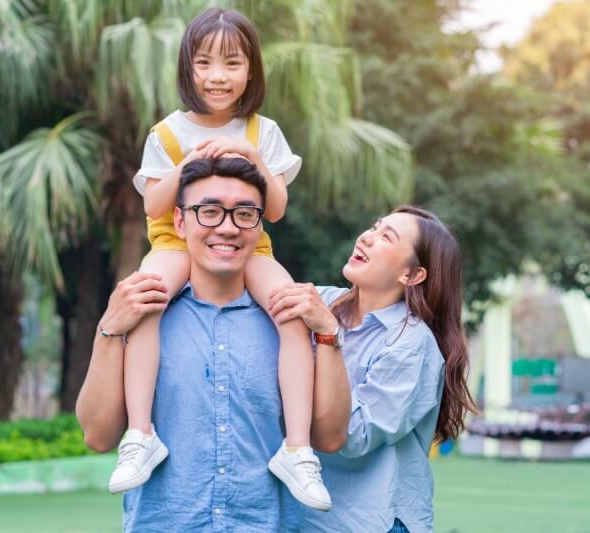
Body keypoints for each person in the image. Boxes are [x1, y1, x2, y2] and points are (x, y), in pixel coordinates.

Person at [112, 7, 325, 510]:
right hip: (174, 238)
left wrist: (250, 159)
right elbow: (153, 205)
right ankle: (140, 434)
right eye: (204, 63)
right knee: (147, 295)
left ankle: (297, 448)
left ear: (251, 71)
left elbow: (274, 207)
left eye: (232, 64)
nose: (217, 76)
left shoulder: (262, 131)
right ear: (188, 67)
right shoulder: (167, 132)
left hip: (246, 242)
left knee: (292, 311)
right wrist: (191, 162)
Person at [76, 157, 352, 531]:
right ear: (178, 221)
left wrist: (329, 335)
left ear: (259, 224)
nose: (227, 228)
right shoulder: (141, 316)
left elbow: (331, 437)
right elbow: (98, 435)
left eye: (244, 213)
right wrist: (107, 329)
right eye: (209, 212)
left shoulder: (291, 319)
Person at [268, 206, 478, 533]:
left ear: (411, 275)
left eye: (386, 237)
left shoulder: (411, 344)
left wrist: (328, 336)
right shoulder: (320, 302)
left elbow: (352, 437)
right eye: (374, 227)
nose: (367, 237)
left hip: (370, 522)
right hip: (301, 518)